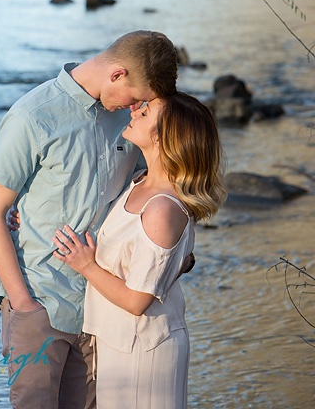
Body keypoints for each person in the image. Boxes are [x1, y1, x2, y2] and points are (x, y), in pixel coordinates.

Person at [0, 30, 179, 409]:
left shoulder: (129, 122)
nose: (134, 108)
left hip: (102, 303)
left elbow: (153, 187)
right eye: (135, 98)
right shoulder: (32, 116)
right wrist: (22, 303)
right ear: (117, 74)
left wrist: (178, 249)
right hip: (40, 297)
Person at [52, 92, 226, 409]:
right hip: (119, 341)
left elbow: (137, 300)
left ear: (165, 139)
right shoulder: (139, 180)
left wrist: (86, 265)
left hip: (144, 349)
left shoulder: (162, 208)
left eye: (145, 114)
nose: (135, 113)